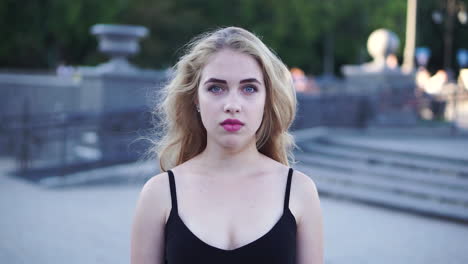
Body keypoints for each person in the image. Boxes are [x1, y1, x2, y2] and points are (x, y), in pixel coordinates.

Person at [130, 27, 323, 264]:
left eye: (249, 88)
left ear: (267, 99)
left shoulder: (299, 191)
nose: (232, 104)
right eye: (216, 88)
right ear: (195, 99)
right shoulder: (158, 194)